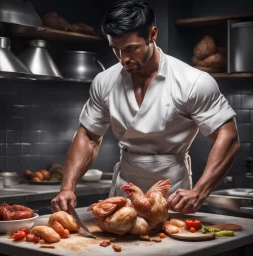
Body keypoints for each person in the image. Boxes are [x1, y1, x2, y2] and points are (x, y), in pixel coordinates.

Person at [51, 0, 239, 214]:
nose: (123, 59)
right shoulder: (104, 81)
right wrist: (67, 188)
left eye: (131, 48)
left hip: (173, 196)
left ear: (152, 34)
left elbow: (228, 136)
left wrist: (200, 191)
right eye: (116, 49)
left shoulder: (193, 81)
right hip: (124, 193)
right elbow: (89, 136)